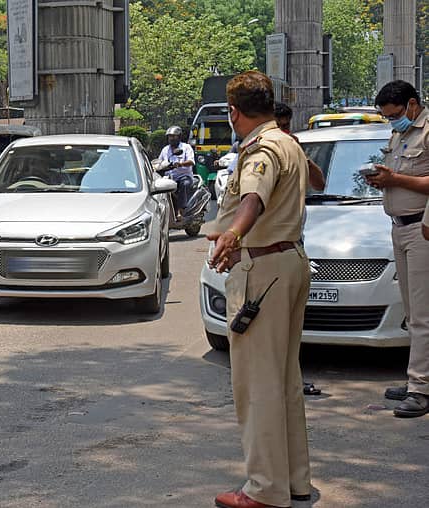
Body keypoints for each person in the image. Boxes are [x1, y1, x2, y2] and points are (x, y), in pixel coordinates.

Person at [208, 71, 312, 508]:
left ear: (233, 112)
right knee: (284, 379)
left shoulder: (262, 150)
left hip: (263, 269)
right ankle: (293, 480)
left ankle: (265, 490)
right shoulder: (289, 141)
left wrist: (232, 234)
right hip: (288, 261)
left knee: (258, 384)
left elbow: (254, 197)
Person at [365, 80, 429, 418]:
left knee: (422, 315)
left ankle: (420, 389)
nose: (392, 122)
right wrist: (380, 179)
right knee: (412, 312)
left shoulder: (427, 131)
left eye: (395, 115)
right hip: (399, 228)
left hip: (422, 229)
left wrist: (396, 181)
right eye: (388, 118)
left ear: (413, 105)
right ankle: (419, 378)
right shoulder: (401, 135)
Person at [274, 102, 326, 191]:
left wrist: (301, 156)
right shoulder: (261, 151)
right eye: (277, 127)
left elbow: (319, 185)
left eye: (285, 126)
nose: (281, 132)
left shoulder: (293, 148)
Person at [157, 125, 195, 214]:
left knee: (184, 184)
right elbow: (159, 161)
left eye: (174, 136)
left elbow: (191, 161)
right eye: (170, 136)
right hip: (169, 178)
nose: (171, 139)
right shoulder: (165, 150)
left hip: (184, 176)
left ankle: (181, 211)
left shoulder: (186, 147)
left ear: (179, 137)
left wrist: (180, 164)